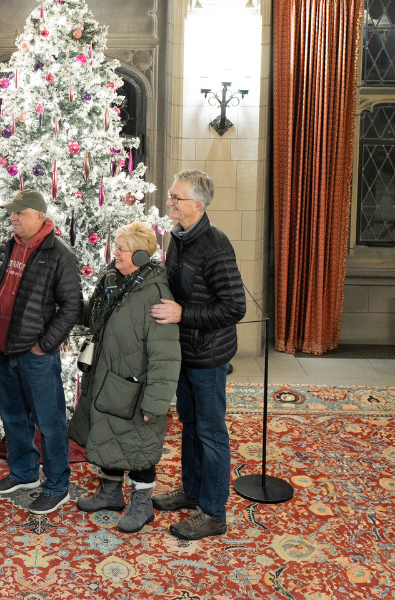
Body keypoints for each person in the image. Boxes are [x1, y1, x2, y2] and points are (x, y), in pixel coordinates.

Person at [149, 169, 246, 540]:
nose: (170, 201)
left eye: (176, 198)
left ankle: (214, 513)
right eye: (171, 196)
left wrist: (183, 314)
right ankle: (191, 491)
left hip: (208, 357)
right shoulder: (179, 237)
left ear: (198, 205)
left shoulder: (216, 246)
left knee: (211, 433)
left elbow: (234, 307)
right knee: (189, 424)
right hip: (184, 352)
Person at [69, 222, 181, 533]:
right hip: (107, 377)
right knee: (107, 433)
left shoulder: (156, 295)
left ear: (143, 255)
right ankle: (109, 493)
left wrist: (155, 404)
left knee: (139, 446)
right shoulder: (113, 281)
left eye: (122, 248)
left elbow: (166, 356)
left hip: (135, 388)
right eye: (115, 246)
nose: (114, 253)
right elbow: (94, 316)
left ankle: (142, 506)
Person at [0, 189, 83, 515]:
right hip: (3, 349)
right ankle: (24, 472)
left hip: (35, 354)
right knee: (13, 416)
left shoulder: (59, 254)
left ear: (39, 216)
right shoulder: (6, 247)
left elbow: (72, 307)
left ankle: (57, 486)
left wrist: (45, 345)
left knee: (50, 422)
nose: (12, 217)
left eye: (19, 213)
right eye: (11, 213)